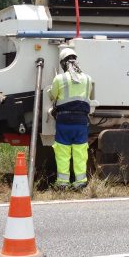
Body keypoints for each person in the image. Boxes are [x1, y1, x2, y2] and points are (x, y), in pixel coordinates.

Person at [48, 47, 95, 190]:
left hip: (64, 122)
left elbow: (52, 96)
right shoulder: (88, 79)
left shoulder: (59, 78)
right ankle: (80, 183)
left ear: (63, 63)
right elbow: (90, 97)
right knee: (80, 153)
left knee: (62, 153)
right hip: (81, 123)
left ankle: (62, 184)